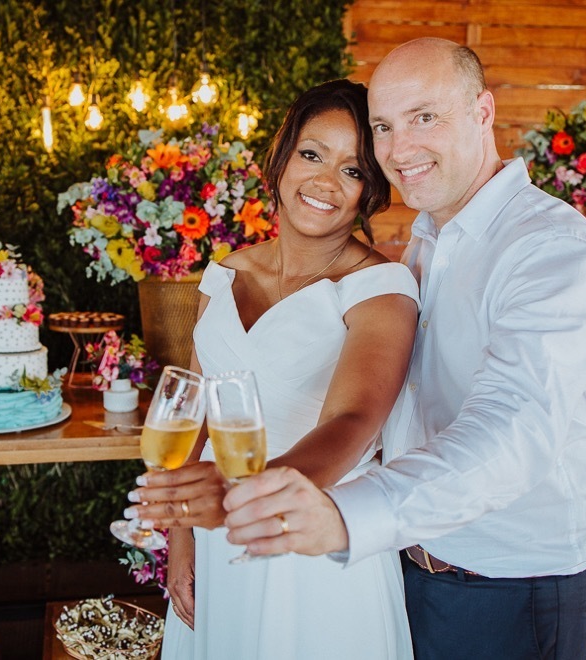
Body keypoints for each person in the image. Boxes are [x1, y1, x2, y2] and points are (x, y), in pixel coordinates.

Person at [222, 38, 586, 659]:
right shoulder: (428, 239)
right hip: (410, 568)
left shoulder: (551, 249)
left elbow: (511, 430)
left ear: (483, 111)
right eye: (384, 126)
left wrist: (348, 513)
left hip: (508, 585)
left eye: (424, 117)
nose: (399, 149)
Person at [125, 79, 419, 659]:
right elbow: (194, 410)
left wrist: (251, 495)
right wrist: (181, 536)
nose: (325, 182)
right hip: (217, 533)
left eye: (353, 170)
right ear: (282, 157)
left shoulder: (382, 289)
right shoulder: (224, 273)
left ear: (372, 191)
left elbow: (353, 421)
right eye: (312, 154)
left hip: (313, 540)